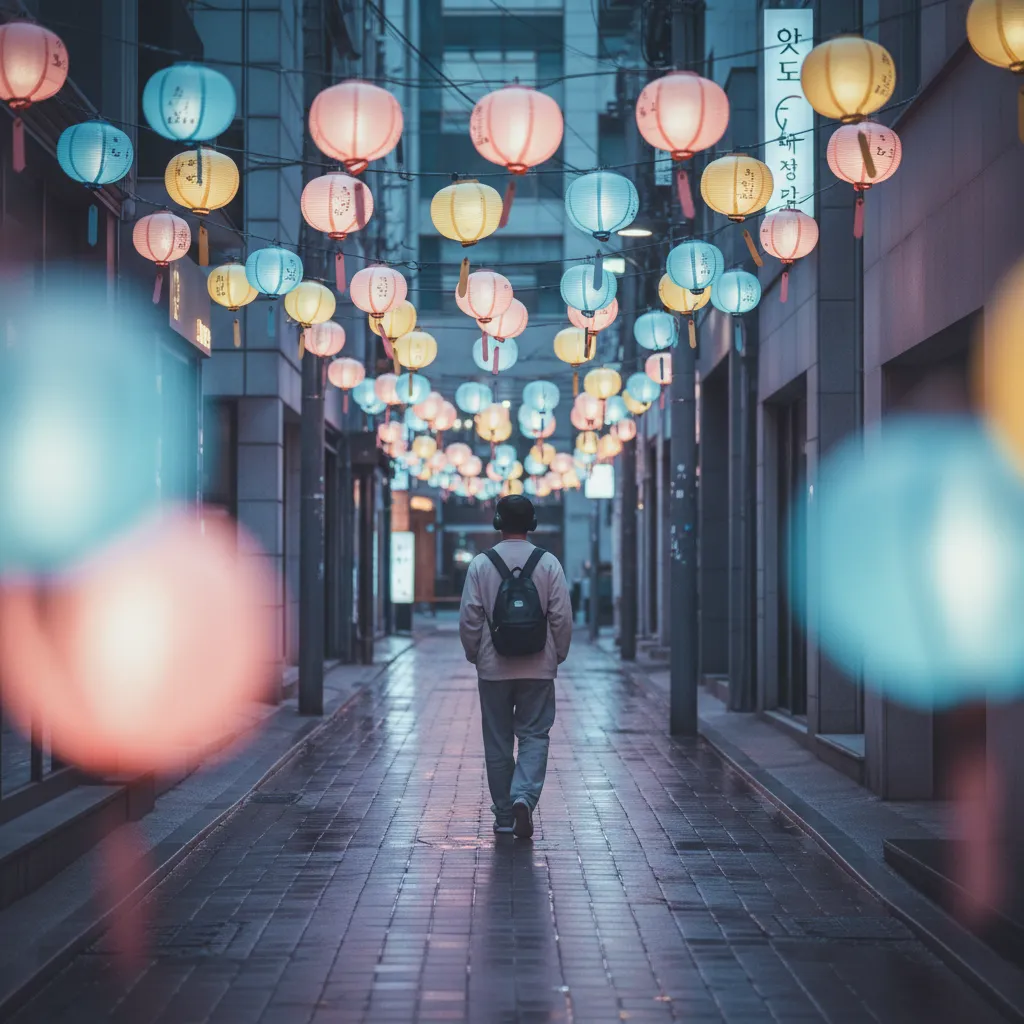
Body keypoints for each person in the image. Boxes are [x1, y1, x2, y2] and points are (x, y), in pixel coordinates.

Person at [459, 494, 573, 839]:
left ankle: (505, 815)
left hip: (493, 668)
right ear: (532, 524)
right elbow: (562, 616)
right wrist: (558, 654)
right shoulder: (549, 563)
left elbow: (469, 617)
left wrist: (474, 653)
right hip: (539, 667)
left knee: (497, 741)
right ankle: (523, 795)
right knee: (535, 735)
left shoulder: (481, 564)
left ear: (497, 522)